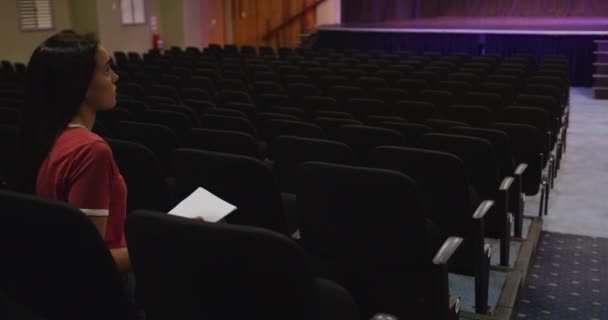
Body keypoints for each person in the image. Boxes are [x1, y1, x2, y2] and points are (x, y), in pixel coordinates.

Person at [18, 32, 130, 270]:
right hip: (105, 291)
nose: (115, 77)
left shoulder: (45, 136)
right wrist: (159, 248)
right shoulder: (91, 151)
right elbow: (88, 259)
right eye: (107, 70)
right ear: (81, 85)